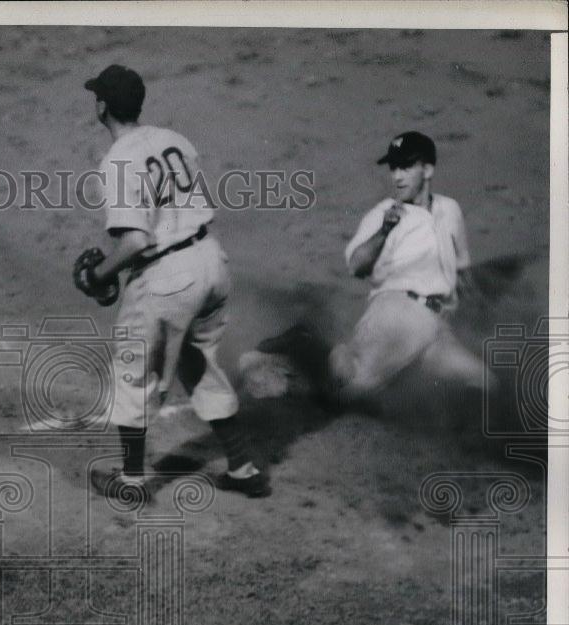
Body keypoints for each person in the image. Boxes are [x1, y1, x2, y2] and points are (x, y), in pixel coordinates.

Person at [77, 64, 270, 499]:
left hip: (168, 278)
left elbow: (134, 241)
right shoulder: (174, 140)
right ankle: (243, 468)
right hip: (211, 262)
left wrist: (98, 274)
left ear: (103, 106)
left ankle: (131, 481)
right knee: (198, 362)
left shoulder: (116, 161)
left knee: (132, 371)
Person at [261, 131, 490, 403]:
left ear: (427, 169)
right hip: (395, 315)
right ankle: (302, 340)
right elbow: (356, 266)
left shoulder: (450, 210)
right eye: (393, 168)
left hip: (437, 329)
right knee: (349, 390)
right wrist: (384, 231)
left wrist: (474, 301)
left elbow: (462, 269)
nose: (397, 176)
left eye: (406, 166)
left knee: (484, 383)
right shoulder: (383, 213)